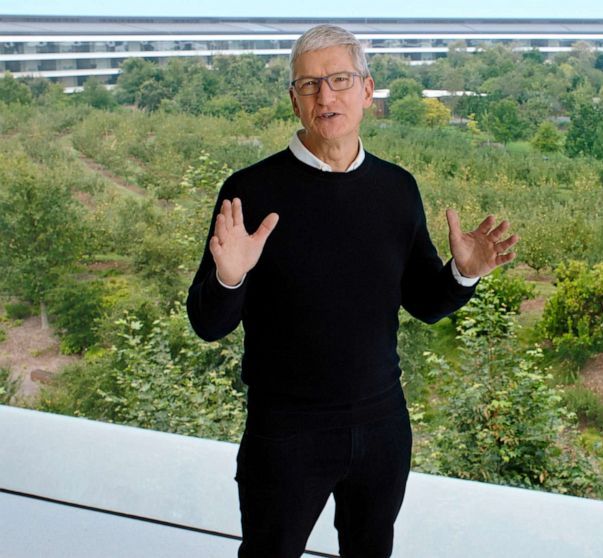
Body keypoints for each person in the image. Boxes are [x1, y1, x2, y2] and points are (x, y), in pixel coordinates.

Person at [185, 24, 518, 558]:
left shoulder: (397, 189)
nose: (326, 96)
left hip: (383, 424)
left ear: (367, 90)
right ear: (294, 100)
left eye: (339, 79)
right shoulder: (250, 190)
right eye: (310, 85)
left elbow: (426, 303)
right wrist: (231, 277)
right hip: (286, 431)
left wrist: (464, 274)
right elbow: (207, 323)